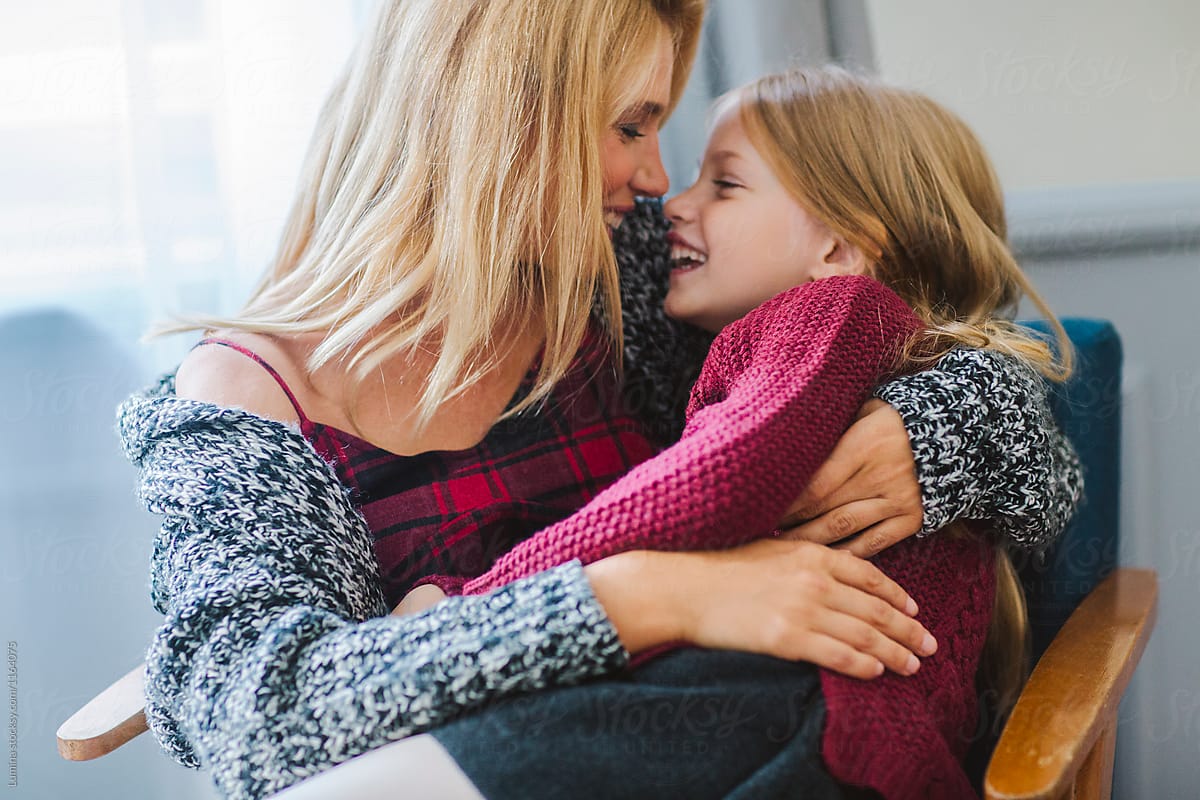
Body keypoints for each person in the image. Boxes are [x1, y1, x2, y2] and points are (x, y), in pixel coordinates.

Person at [117, 3, 1080, 799]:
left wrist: (933, 434)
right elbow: (260, 718)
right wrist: (652, 597)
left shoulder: (623, 276)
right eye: (630, 127)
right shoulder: (245, 402)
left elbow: (933, 333)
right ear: (499, 115)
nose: (660, 180)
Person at [417, 64, 1073, 799]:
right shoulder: (849, 338)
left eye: (724, 185)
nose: (671, 202)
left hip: (783, 707)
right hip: (828, 723)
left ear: (838, 249)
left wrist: (475, 598)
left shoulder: (829, 315)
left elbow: (720, 483)